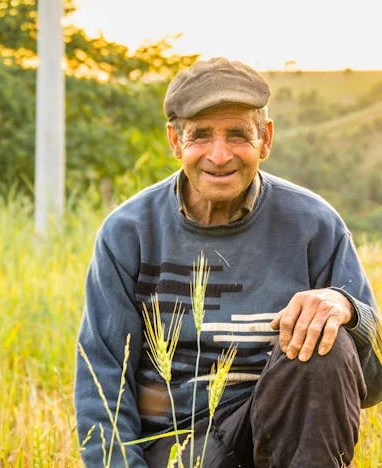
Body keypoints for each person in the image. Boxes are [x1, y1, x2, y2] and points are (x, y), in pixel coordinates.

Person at [74, 57, 382, 467]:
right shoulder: (128, 232)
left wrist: (349, 312)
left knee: (326, 340)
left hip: (277, 444)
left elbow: (373, 384)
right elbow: (102, 379)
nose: (219, 156)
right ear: (175, 141)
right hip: (176, 450)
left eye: (237, 135)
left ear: (265, 139)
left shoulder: (315, 226)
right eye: (200, 135)